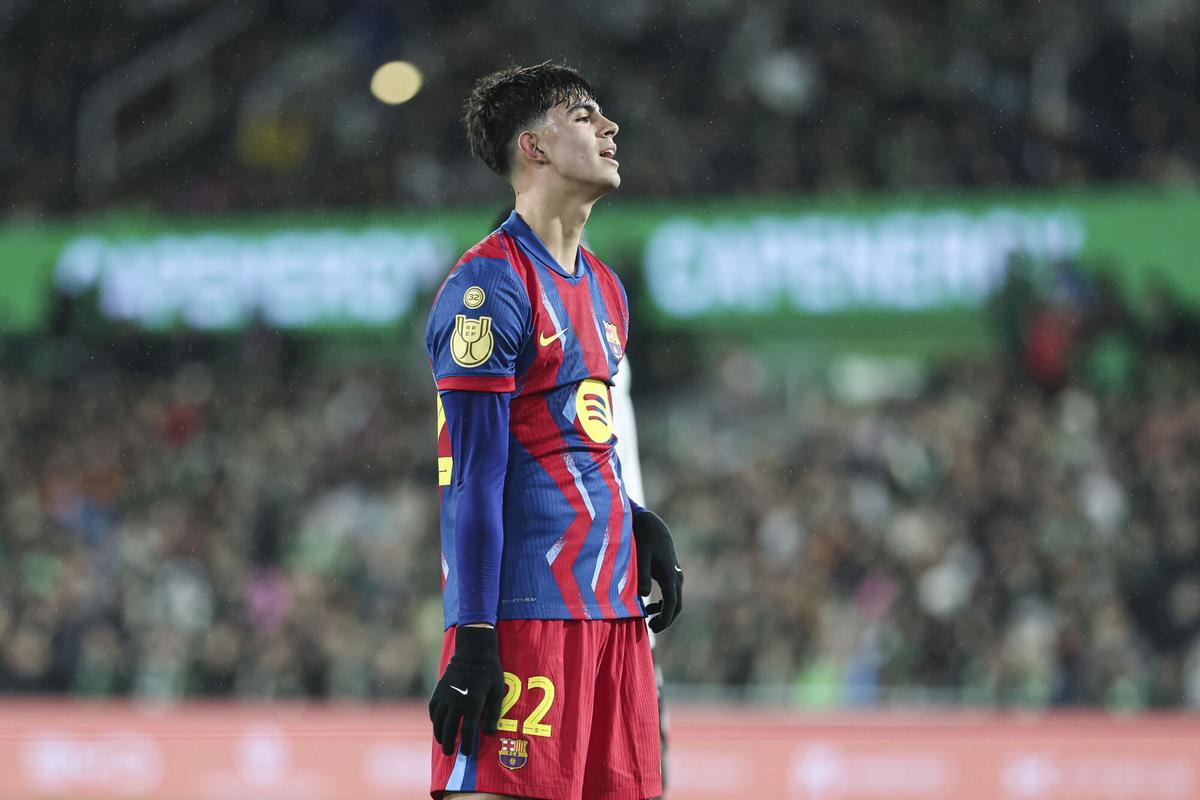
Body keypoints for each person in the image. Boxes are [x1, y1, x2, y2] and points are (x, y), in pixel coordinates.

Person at [424, 62, 683, 800]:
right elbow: (472, 478)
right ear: (533, 147)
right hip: (528, 616)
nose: (611, 128)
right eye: (584, 114)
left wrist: (635, 522)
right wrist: (474, 637)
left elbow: (573, 440)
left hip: (614, 619)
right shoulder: (488, 289)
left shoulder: (606, 290)